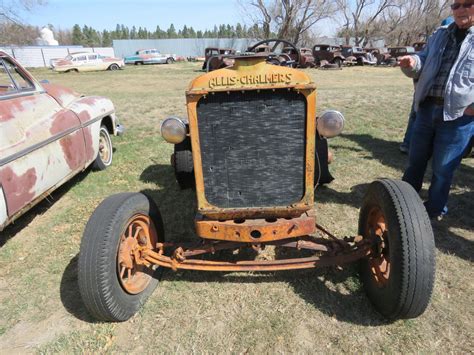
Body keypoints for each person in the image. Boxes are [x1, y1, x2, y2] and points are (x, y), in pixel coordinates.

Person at [398, 0, 473, 220]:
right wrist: (412, 61)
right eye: (455, 5)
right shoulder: (440, 34)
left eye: (467, 4)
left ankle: (434, 209)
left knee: (442, 169)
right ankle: (404, 204)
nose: (460, 10)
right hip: (427, 108)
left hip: (458, 115)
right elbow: (424, 59)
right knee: (415, 161)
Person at [399, 16, 455, 154]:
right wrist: (412, 63)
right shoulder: (435, 42)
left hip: (445, 98)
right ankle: (408, 144)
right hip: (424, 93)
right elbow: (421, 64)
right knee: (416, 117)